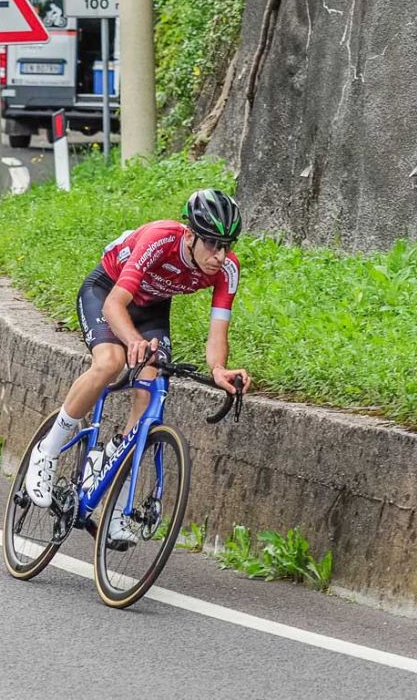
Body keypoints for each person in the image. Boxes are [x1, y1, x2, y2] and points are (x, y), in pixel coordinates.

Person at [23, 188, 251, 541]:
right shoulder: (160, 239)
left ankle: (115, 505)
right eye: (211, 244)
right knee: (111, 362)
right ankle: (47, 451)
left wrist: (219, 370)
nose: (219, 256)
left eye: (226, 245)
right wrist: (132, 342)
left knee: (152, 386)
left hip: (152, 308)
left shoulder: (228, 269)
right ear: (190, 235)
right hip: (108, 291)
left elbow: (217, 332)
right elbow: (114, 305)